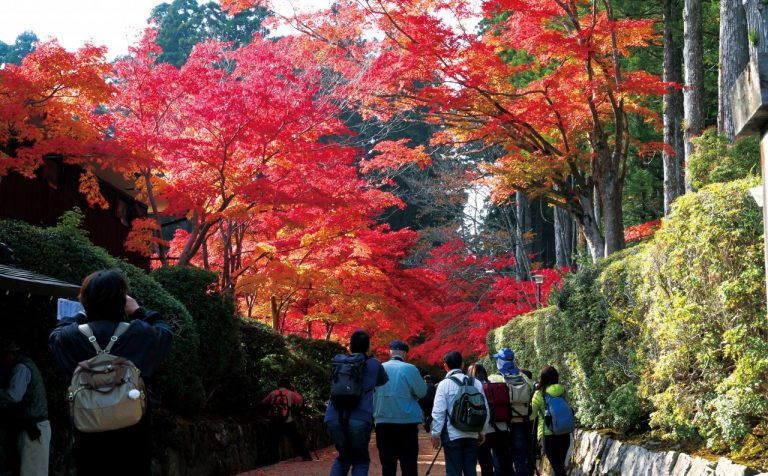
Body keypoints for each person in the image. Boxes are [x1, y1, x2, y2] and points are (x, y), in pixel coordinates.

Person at [49, 269, 174, 476]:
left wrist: (80, 314)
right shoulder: (138, 333)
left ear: (86, 301)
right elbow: (165, 333)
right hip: (133, 432)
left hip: (87, 429)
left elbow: (56, 335)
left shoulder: (69, 337)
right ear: (123, 300)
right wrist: (138, 311)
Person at [325, 330, 388, 476]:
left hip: (333, 416)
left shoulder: (339, 362)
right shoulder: (374, 364)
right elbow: (382, 381)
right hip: (359, 417)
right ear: (368, 347)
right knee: (360, 460)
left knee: (343, 458)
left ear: (350, 346)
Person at [373, 339, 427, 476]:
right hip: (406, 422)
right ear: (404, 353)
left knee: (387, 465)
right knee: (408, 465)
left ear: (390, 352)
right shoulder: (410, 369)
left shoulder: (379, 368)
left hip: (383, 421)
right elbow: (422, 392)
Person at [430, 350, 489, 476]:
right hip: (473, 433)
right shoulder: (476, 383)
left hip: (452, 435)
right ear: (462, 364)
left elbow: (438, 411)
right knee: (470, 471)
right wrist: (482, 431)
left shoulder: (443, 384)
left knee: (453, 472)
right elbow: (485, 409)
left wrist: (436, 434)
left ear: (445, 365)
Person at [0, 341, 50, 476]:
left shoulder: (21, 368)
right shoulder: (28, 365)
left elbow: (13, 395)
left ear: (10, 355)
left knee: (31, 471)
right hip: (36, 426)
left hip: (33, 427)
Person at [491, 348, 534, 476]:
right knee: (520, 460)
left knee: (500, 461)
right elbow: (531, 393)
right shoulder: (524, 377)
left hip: (501, 425)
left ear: (500, 361)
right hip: (520, 422)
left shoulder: (495, 378)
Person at [468, 362, 512, 476]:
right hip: (502, 429)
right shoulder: (495, 386)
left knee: (486, 464)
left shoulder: (474, 389)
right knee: (505, 463)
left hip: (484, 431)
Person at [530, 366, 571, 476]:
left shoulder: (539, 394)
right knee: (559, 465)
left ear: (543, 378)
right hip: (564, 432)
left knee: (557, 466)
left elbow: (531, 415)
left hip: (548, 435)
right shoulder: (562, 390)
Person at [262, 377, 313, 461]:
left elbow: (264, 402)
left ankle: (273, 460)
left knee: (274, 442)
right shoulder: (290, 393)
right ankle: (306, 456)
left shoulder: (273, 393)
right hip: (287, 421)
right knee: (296, 439)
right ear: (288, 385)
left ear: (279, 385)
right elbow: (300, 400)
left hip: (274, 421)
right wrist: (294, 390)